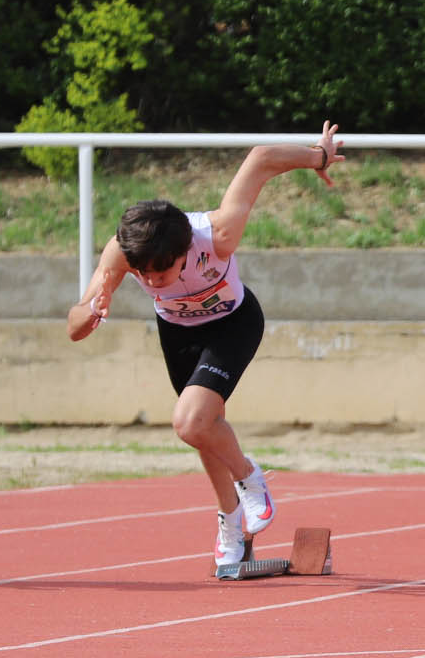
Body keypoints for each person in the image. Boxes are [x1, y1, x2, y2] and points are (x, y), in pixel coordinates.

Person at [67, 123, 345, 568]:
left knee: (189, 421)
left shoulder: (216, 235)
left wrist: (320, 157)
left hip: (232, 323)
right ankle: (231, 524)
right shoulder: (122, 254)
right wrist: (91, 310)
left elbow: (260, 159)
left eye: (164, 272)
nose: (154, 281)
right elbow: (74, 327)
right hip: (178, 333)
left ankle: (251, 479)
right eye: (145, 276)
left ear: (185, 251)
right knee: (202, 432)